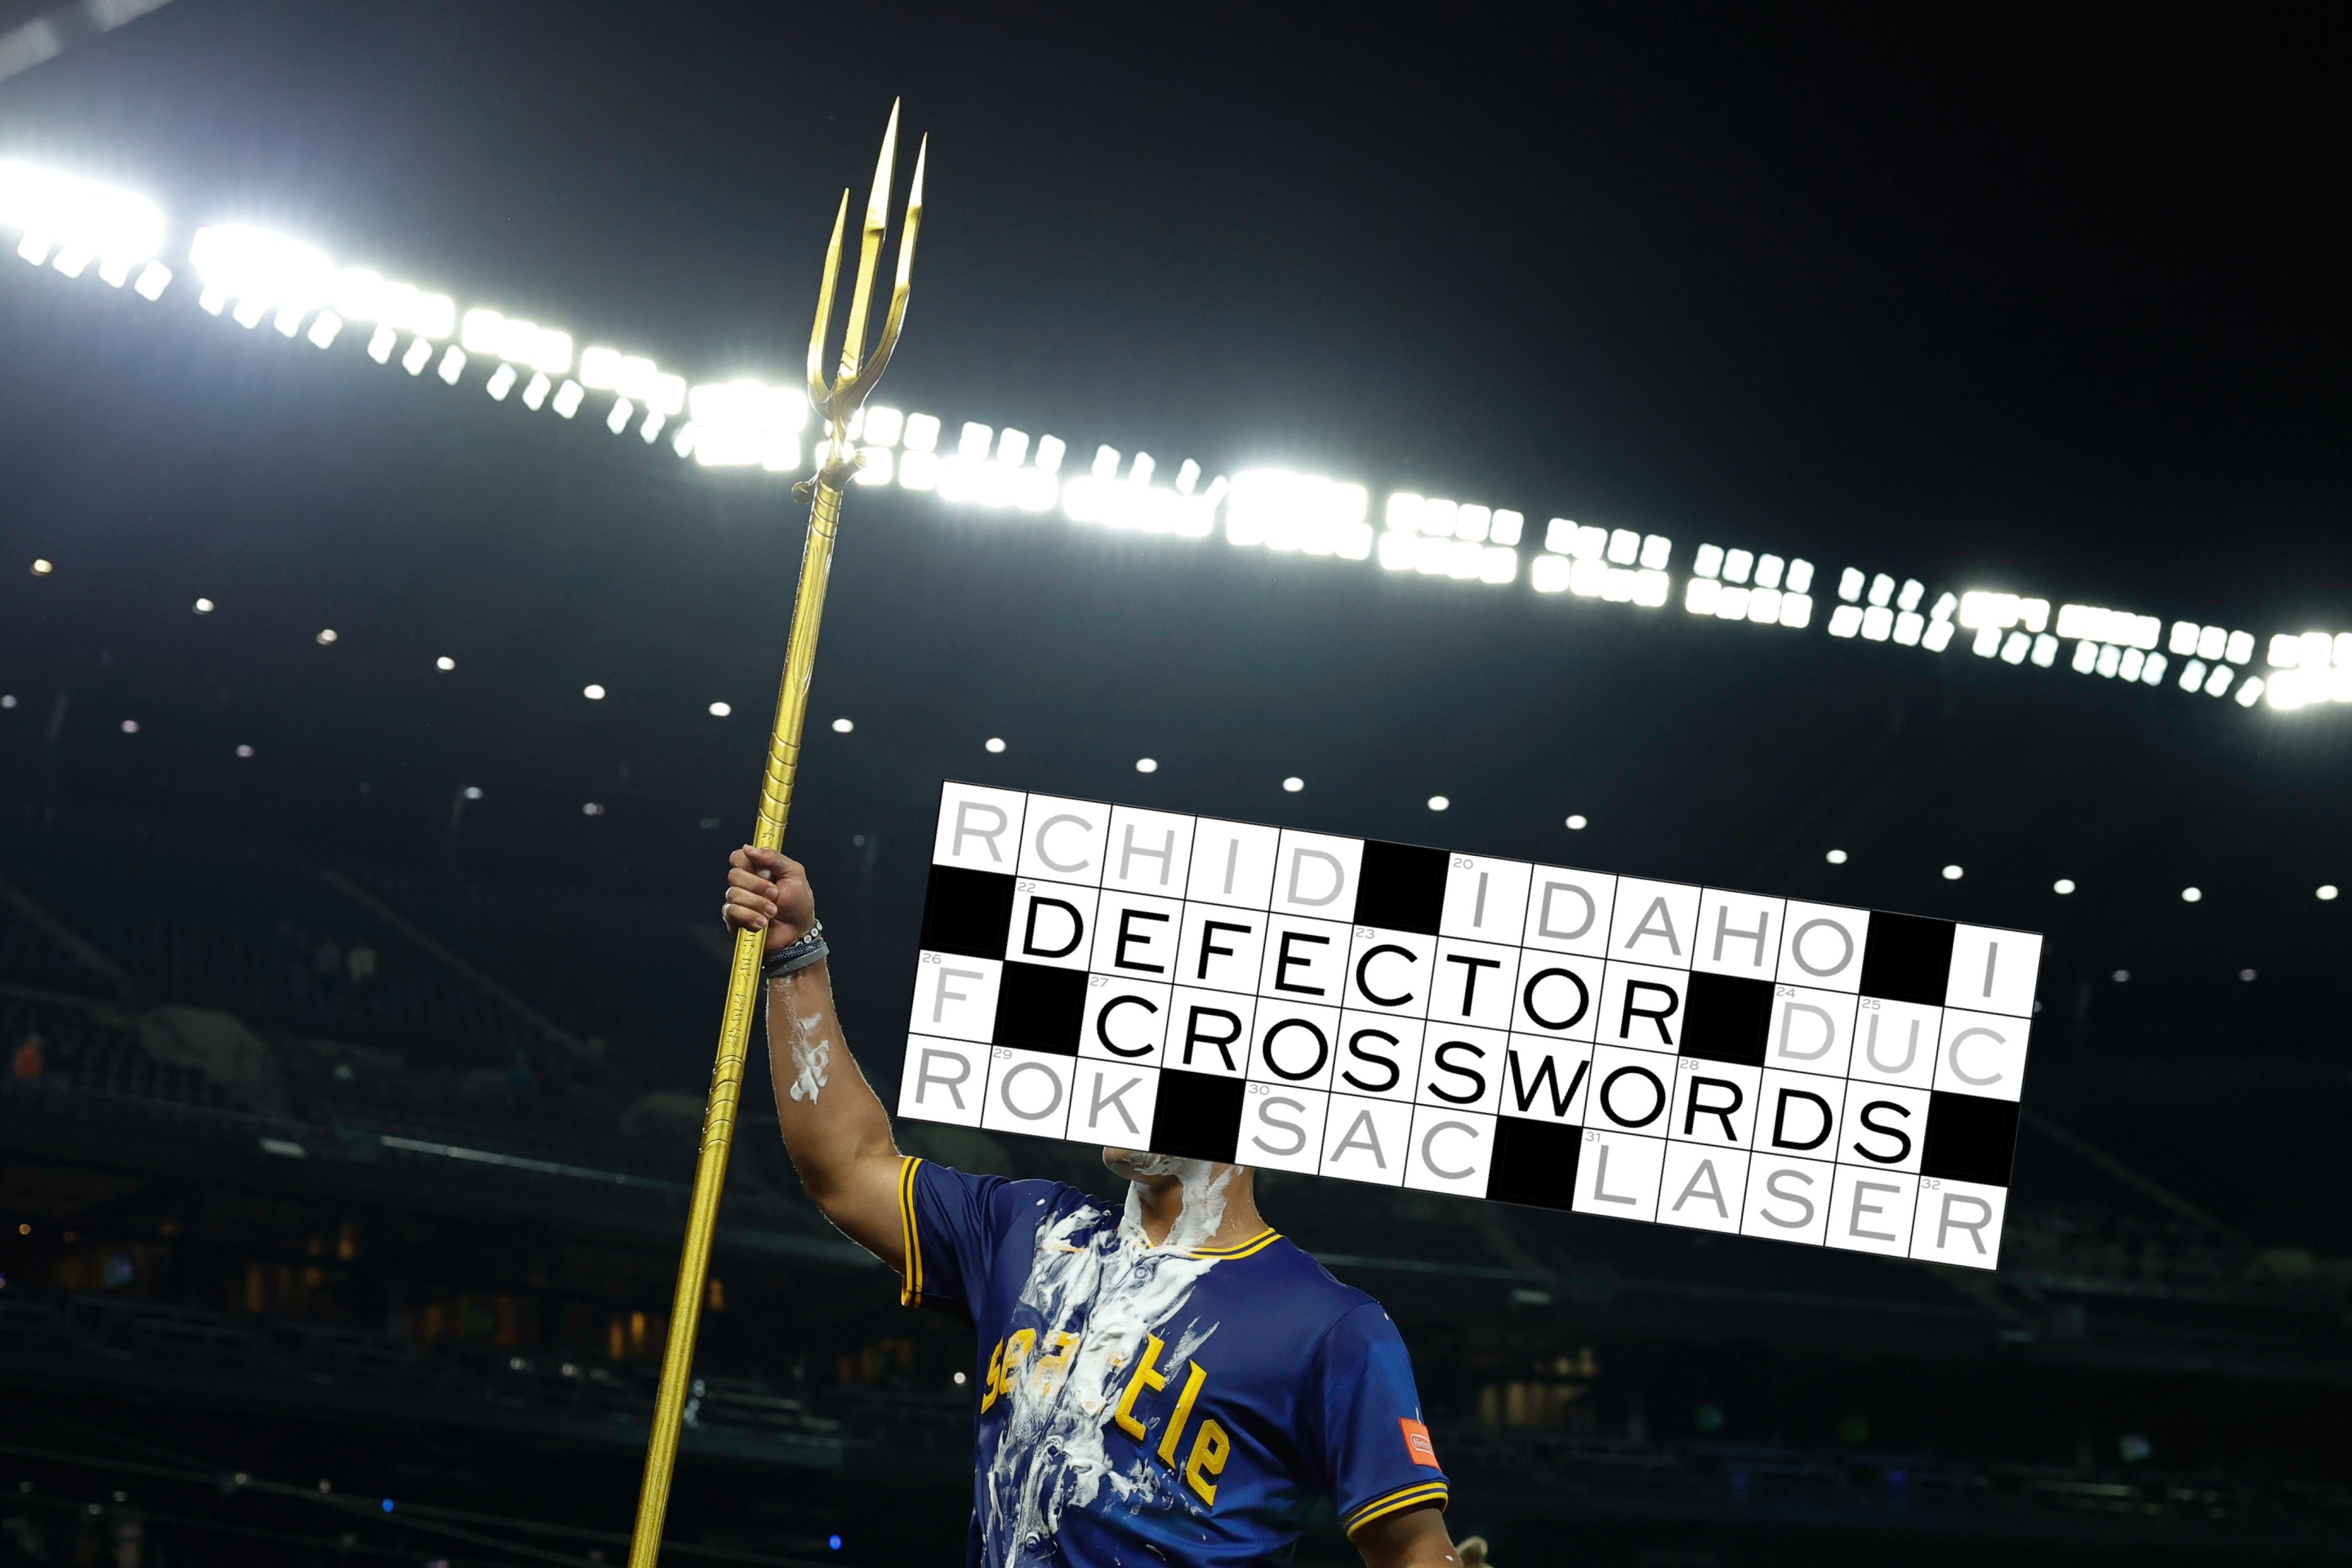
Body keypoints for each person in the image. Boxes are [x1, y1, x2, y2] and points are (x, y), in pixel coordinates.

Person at [724, 846, 1463, 1568]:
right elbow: (845, 1167)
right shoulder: (1029, 1228)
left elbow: (1415, 1553)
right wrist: (795, 958)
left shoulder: (1335, 1328)